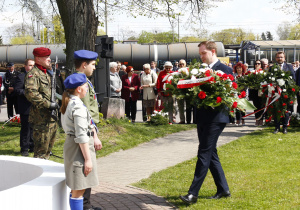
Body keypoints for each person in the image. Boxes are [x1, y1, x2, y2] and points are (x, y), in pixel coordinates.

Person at [180, 41, 232, 205]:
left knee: (204, 152)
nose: (201, 56)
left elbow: (229, 96)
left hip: (216, 118)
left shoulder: (225, 70)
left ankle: (192, 194)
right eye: (200, 53)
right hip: (202, 117)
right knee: (211, 154)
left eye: (203, 53)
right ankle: (223, 189)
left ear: (213, 51)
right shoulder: (200, 71)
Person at [60, 73, 99, 210]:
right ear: (78, 89)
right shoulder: (77, 106)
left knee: (77, 187)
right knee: (79, 189)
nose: (87, 88)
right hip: (79, 149)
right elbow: (81, 136)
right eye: (85, 85)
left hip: (72, 145)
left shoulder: (69, 101)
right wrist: (88, 159)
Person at [73, 50, 102, 210]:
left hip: (87, 132)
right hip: (86, 133)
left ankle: (86, 204)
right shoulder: (80, 84)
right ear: (84, 65)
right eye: (92, 64)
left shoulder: (84, 81)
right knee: (86, 167)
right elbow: (84, 114)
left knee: (87, 168)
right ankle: (84, 205)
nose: (94, 68)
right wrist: (95, 136)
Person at [24, 47, 59, 159]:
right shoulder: (33, 74)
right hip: (41, 120)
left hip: (51, 118)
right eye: (46, 57)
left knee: (48, 152)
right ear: (38, 59)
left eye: (49, 56)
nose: (49, 59)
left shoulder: (47, 73)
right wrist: (48, 105)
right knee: (41, 154)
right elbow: (31, 94)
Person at [14, 59, 35, 157]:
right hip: (25, 106)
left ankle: (32, 145)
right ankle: (24, 148)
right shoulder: (21, 77)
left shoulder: (35, 77)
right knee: (26, 128)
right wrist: (29, 93)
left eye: (33, 65)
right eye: (30, 65)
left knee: (33, 128)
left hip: (35, 106)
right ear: (25, 66)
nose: (31, 67)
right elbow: (17, 90)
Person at [273, 51, 295, 134]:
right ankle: (277, 127)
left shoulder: (289, 66)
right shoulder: (272, 67)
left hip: (286, 92)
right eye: (278, 57)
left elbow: (293, 78)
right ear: (276, 58)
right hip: (276, 93)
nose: (280, 59)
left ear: (284, 58)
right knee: (276, 110)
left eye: (281, 57)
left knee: (286, 110)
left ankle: (285, 127)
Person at [248, 60, 264, 126]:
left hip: (261, 91)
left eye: (258, 63)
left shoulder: (263, 72)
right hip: (254, 91)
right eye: (256, 63)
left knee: (261, 106)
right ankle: (257, 119)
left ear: (261, 65)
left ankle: (261, 120)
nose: (257, 65)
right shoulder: (251, 72)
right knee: (255, 106)